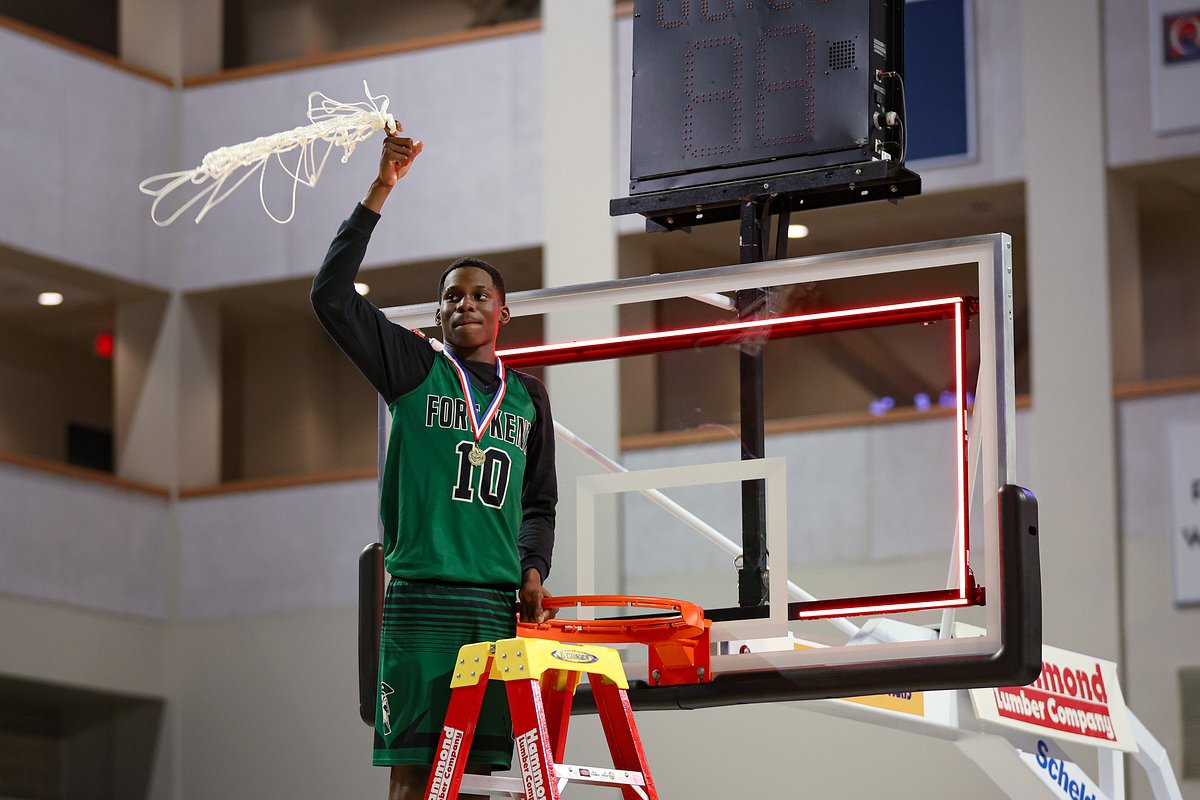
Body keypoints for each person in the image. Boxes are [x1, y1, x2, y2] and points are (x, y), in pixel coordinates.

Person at [311, 131, 557, 800]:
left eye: (479, 295)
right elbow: (330, 295)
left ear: (503, 312)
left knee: (473, 782)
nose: (464, 304)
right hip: (420, 600)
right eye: (451, 297)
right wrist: (381, 189)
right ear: (439, 315)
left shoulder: (529, 396)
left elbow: (539, 503)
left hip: (493, 605)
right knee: (413, 777)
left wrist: (534, 570)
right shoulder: (414, 367)